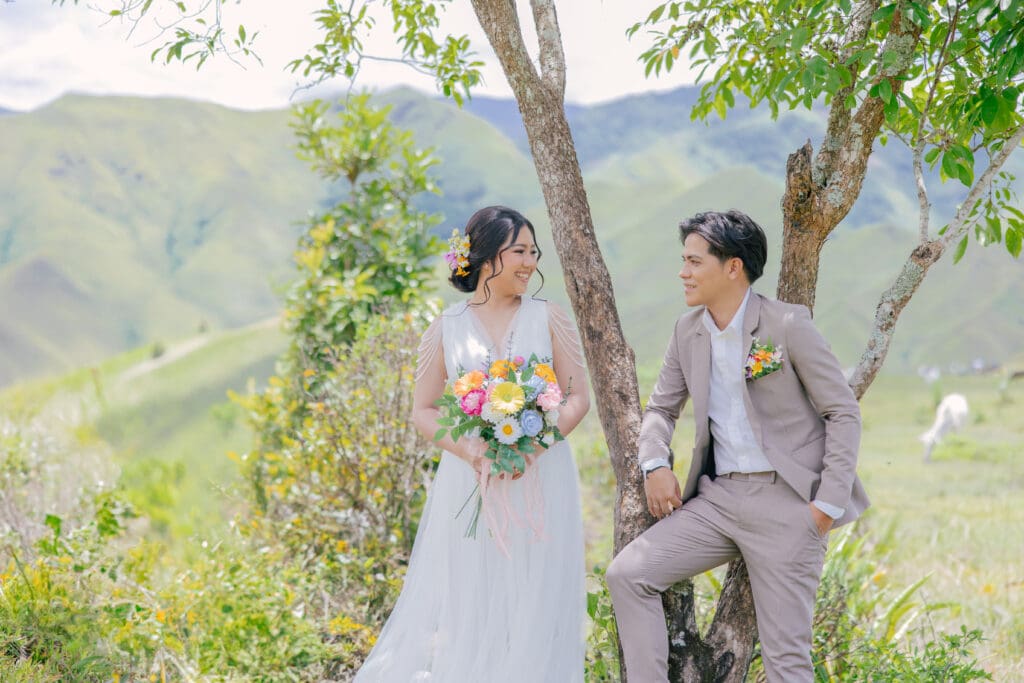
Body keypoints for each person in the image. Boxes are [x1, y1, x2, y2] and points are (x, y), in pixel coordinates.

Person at [606, 210, 869, 683]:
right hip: (718, 500)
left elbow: (843, 411)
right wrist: (654, 463)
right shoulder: (686, 332)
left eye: (694, 261)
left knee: (786, 662)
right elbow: (661, 410)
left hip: (789, 506)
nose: (682, 272)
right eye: (682, 260)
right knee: (628, 576)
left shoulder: (788, 325)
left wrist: (824, 506)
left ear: (733, 267)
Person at [355, 206, 591, 682]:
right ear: (485, 257)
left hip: (542, 476)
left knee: (539, 592)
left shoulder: (549, 317)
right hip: (470, 482)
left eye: (533, 251)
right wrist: (470, 451)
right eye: (518, 251)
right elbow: (423, 410)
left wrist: (535, 445)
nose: (530, 262)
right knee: (476, 596)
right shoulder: (446, 326)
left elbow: (578, 396)